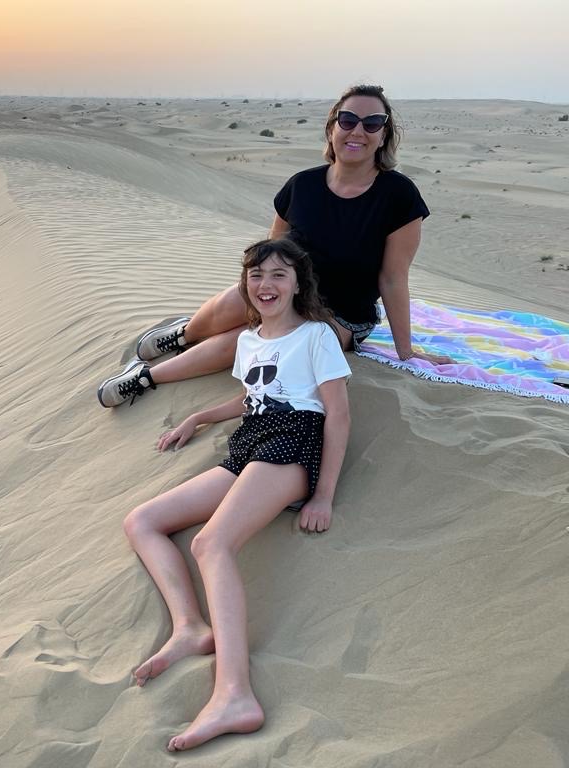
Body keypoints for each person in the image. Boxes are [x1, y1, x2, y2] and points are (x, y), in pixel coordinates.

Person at [122, 238, 351, 752]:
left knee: (210, 544)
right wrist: (201, 416)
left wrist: (324, 495)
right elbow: (254, 398)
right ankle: (190, 627)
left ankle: (235, 694)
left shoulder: (316, 335)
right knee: (143, 521)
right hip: (251, 442)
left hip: (294, 443)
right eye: (256, 275)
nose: (266, 285)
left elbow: (337, 414)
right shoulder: (249, 340)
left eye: (278, 275)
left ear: (298, 284)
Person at [97, 84, 450, 408]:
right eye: (348, 120)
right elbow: (271, 254)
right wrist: (259, 293)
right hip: (286, 287)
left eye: (372, 123)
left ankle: (146, 377)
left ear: (384, 134)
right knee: (236, 303)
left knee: (259, 338)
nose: (358, 131)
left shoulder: (399, 196)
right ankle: (184, 335)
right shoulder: (302, 185)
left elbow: (393, 278)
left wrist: (406, 351)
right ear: (332, 128)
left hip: (342, 313)